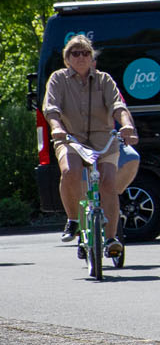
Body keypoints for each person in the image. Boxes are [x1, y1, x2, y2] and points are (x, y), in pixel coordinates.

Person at [42, 33, 141, 260]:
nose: (81, 57)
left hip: (102, 138)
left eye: (85, 53)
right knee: (70, 171)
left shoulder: (104, 80)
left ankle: (112, 238)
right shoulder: (58, 79)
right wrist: (57, 127)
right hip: (70, 138)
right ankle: (74, 220)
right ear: (67, 59)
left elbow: (119, 106)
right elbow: (51, 108)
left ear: (91, 57)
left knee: (108, 182)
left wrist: (127, 127)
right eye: (75, 53)